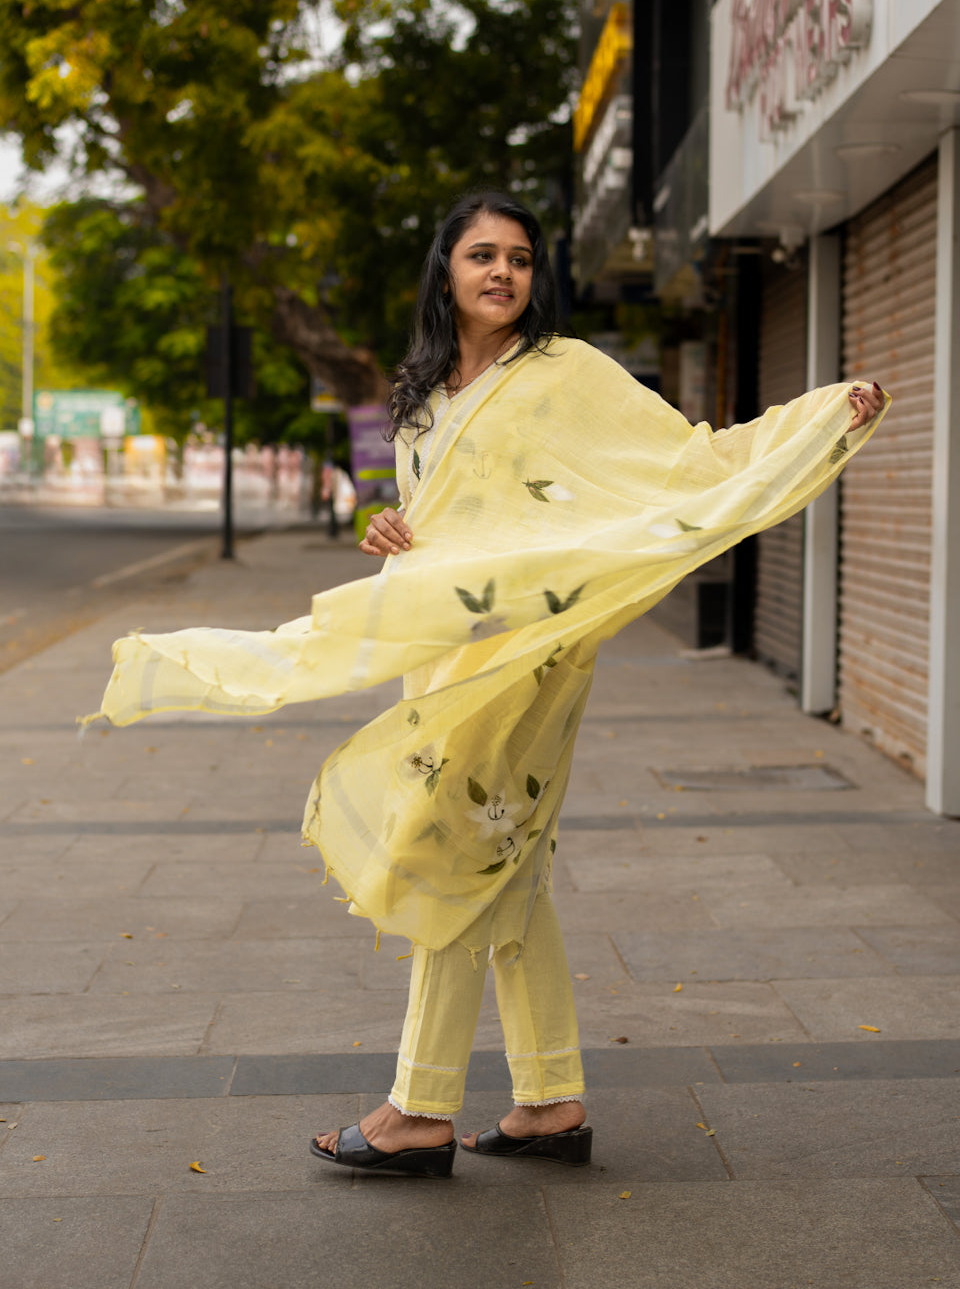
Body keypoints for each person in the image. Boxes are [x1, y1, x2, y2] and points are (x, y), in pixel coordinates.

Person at [89, 190, 886, 1180]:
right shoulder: (420, 389)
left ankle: (419, 1109)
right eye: (482, 255)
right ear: (448, 271)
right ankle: (550, 1100)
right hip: (445, 644)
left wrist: (817, 421)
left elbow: (688, 459)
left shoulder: (566, 374)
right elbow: (424, 515)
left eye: (518, 257)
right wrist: (387, 531)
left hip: (529, 650)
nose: (503, 272)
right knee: (504, 855)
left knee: (451, 849)